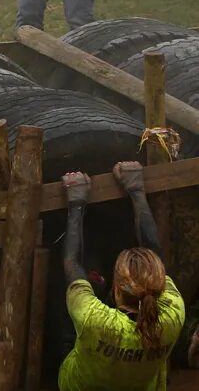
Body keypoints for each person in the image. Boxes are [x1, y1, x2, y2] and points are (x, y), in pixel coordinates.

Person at [58, 161, 185, 390]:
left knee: (83, 288)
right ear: (157, 283)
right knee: (83, 290)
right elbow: (155, 256)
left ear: (116, 290)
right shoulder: (173, 315)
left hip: (78, 384)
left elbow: (73, 264)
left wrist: (76, 203)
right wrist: (136, 189)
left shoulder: (95, 320)